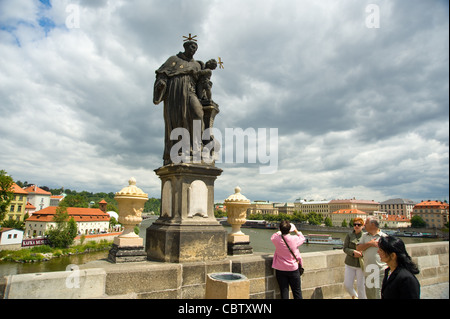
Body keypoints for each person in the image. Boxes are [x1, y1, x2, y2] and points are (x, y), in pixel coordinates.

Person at [153, 40, 204, 165]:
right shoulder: (173, 60)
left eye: (196, 48)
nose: (194, 49)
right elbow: (162, 75)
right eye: (192, 47)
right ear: (185, 47)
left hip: (191, 92)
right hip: (175, 95)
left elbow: (201, 84)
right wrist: (161, 83)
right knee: (178, 121)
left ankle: (196, 147)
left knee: (198, 114)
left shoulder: (197, 65)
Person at [271, 220, 306, 299]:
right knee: (297, 292)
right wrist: (296, 230)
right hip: (293, 269)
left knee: (284, 292)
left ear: (280, 229)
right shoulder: (294, 239)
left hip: (280, 269)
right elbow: (302, 238)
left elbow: (273, 236)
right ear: (290, 229)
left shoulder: (277, 239)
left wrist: (279, 231)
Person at [356, 216, 387, 299]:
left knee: (378, 295)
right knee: (370, 295)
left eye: (366, 223)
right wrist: (370, 244)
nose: (364, 225)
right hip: (369, 270)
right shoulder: (364, 236)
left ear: (373, 224)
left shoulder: (384, 237)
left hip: (380, 270)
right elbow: (358, 248)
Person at [342, 217, 367, 299]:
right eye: (355, 224)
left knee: (361, 287)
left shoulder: (365, 236)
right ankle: (355, 296)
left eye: (359, 224)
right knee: (347, 285)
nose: (356, 226)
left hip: (361, 264)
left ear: (362, 226)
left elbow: (368, 249)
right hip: (350, 263)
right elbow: (345, 248)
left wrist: (362, 253)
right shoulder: (349, 235)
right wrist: (353, 252)